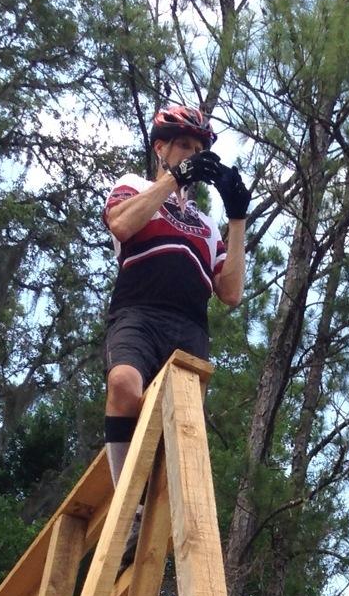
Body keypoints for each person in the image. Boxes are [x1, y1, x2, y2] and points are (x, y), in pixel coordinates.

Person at [101, 102, 252, 484]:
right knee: (122, 383)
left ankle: (155, 509)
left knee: (179, 434)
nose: (193, 156)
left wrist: (237, 219)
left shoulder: (206, 224)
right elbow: (119, 224)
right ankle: (126, 500)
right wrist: (173, 180)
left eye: (199, 151)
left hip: (190, 328)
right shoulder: (135, 187)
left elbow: (231, 293)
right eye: (184, 145)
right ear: (161, 148)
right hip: (139, 311)